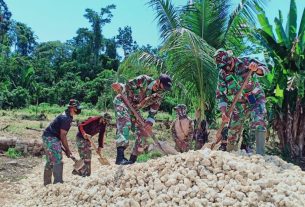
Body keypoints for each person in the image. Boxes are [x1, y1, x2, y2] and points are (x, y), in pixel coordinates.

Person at [214, 48, 268, 154]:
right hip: (238, 104)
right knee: (233, 130)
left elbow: (264, 69)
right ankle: (231, 154)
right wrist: (224, 112)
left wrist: (256, 69)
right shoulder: (222, 73)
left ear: (231, 59)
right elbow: (221, 94)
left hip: (255, 98)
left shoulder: (246, 61)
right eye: (222, 67)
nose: (225, 69)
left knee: (259, 121)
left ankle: (260, 155)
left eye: (226, 66)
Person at [112, 74, 172, 164]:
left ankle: (132, 160)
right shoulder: (144, 80)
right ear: (158, 81)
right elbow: (127, 86)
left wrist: (149, 122)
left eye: (164, 89)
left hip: (134, 109)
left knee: (144, 131)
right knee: (125, 122)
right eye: (161, 87)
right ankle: (120, 158)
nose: (161, 90)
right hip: (123, 101)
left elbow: (154, 108)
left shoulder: (160, 94)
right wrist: (120, 86)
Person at [42, 99, 82, 185]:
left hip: (48, 136)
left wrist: (65, 148)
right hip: (50, 137)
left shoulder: (68, 116)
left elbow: (61, 135)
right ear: (72, 108)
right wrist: (67, 150)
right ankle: (58, 183)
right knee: (57, 159)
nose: (79, 110)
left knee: (50, 159)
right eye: (77, 108)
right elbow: (63, 135)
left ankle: (47, 183)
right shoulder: (66, 118)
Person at [73, 112, 112, 176]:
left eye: (107, 121)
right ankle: (85, 173)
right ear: (102, 118)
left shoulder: (103, 125)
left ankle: (79, 170)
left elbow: (101, 136)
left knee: (86, 155)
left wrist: (100, 147)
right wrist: (84, 133)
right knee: (87, 154)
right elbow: (80, 125)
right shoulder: (93, 119)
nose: (105, 122)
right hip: (80, 137)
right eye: (105, 120)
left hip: (88, 139)